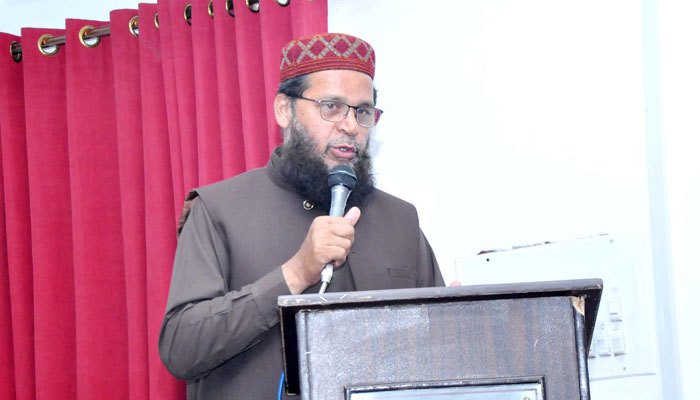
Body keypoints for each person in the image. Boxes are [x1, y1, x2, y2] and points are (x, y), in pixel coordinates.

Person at [159, 33, 445, 399]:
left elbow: (434, 354)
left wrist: (453, 325)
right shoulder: (218, 210)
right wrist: (295, 274)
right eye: (331, 107)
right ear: (284, 110)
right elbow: (181, 349)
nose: (350, 126)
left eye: (362, 111)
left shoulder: (401, 219)